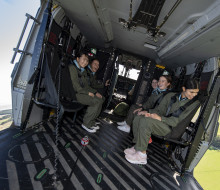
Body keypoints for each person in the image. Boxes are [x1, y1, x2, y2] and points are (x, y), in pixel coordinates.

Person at [124, 78, 200, 165]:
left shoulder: (193, 104)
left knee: (146, 121)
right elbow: (159, 110)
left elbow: (176, 121)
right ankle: (138, 146)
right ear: (183, 89)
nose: (194, 95)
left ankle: (142, 155)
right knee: (139, 117)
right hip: (163, 122)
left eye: (196, 93)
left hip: (172, 128)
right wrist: (148, 112)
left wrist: (160, 118)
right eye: (191, 92)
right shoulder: (171, 96)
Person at [69, 52, 104, 133]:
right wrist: (87, 93)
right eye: (84, 59)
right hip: (75, 94)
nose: (85, 62)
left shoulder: (83, 71)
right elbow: (75, 86)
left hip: (81, 92)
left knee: (100, 100)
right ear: (77, 59)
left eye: (87, 60)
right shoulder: (72, 68)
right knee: (95, 101)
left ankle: (91, 121)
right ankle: (86, 124)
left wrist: (94, 92)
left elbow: (87, 86)